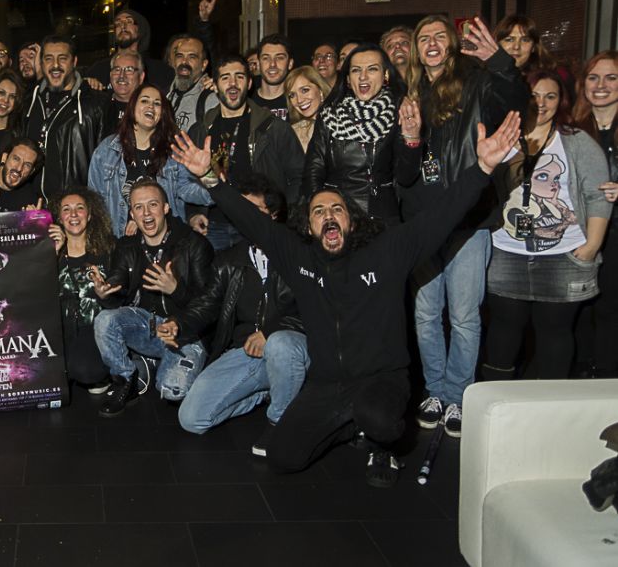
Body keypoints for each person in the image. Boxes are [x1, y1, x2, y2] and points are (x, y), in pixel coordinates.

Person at [171, 111, 521, 485]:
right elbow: (253, 220)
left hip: (381, 379)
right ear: (309, 226)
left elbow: (439, 217)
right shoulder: (299, 259)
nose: (328, 215)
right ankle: (351, 426)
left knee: (380, 419)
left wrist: (482, 168)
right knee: (283, 458)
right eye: (318, 211)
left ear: (351, 221)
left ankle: (379, 443)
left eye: (337, 209)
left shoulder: (387, 252)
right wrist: (211, 180)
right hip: (326, 383)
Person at [404, 15, 529, 436]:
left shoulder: (476, 84)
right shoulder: (410, 92)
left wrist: (500, 61)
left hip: (468, 220)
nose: (431, 42)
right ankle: (435, 390)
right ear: (416, 49)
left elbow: (515, 101)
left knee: (463, 316)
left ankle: (458, 396)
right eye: (424, 37)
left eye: (439, 36)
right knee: (425, 314)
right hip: (423, 222)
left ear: (452, 46)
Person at [484, 70, 610, 380]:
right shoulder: (501, 136)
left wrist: (592, 245)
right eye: (534, 95)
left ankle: (549, 403)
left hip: (563, 256)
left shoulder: (576, 141)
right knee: (503, 331)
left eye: (550, 96)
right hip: (505, 252)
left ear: (561, 101)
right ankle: (496, 400)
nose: (541, 103)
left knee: (555, 332)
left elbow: (597, 195)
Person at [176, 174, 307, 459]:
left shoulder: (297, 252)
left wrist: (269, 332)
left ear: (273, 215)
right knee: (192, 418)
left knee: (281, 345)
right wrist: (179, 324)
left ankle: (280, 422)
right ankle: (268, 391)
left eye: (252, 210)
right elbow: (207, 304)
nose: (244, 217)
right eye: (240, 210)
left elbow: (313, 307)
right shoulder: (229, 259)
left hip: (292, 346)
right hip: (246, 351)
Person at [89, 180, 214, 415]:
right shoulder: (127, 245)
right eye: (139, 207)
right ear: (132, 215)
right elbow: (117, 295)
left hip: (185, 332)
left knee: (172, 390)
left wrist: (175, 289)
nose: (146, 213)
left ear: (166, 208)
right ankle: (126, 379)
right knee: (104, 320)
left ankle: (159, 362)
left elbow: (209, 305)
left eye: (153, 204)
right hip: (147, 325)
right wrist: (104, 293)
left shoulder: (194, 244)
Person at [188, 55, 304, 250]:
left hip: (259, 223)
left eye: (239, 77)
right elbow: (188, 178)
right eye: (225, 78)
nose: (233, 83)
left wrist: (281, 214)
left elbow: (299, 176)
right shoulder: (200, 130)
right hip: (213, 226)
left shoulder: (273, 128)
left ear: (249, 83)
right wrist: (194, 213)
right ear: (215, 85)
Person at [302, 44, 423, 223]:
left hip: (382, 217)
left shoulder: (400, 112)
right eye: (356, 70)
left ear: (385, 75)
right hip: (339, 218)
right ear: (348, 79)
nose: (363, 76)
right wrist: (319, 212)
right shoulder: (330, 115)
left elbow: (406, 178)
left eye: (372, 69)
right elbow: (314, 170)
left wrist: (412, 137)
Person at [89, 84, 212, 236]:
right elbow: (95, 203)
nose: (151, 106)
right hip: (119, 241)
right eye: (144, 101)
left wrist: (210, 177)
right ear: (132, 107)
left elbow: (195, 192)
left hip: (166, 240)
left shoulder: (175, 151)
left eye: (157, 103)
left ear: (163, 113)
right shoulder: (107, 150)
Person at [571, 51, 618, 377]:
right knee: (577, 311)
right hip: (577, 232)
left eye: (611, 78)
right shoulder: (570, 129)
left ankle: (604, 378)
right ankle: (578, 376)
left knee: (609, 310)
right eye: (593, 77)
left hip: (615, 235)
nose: (601, 85)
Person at [49, 187, 117, 392]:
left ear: (89, 215)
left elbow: (121, 300)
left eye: (80, 208)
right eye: (66, 209)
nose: (73, 214)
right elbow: (35, 294)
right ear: (59, 218)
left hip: (96, 329)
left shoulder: (109, 250)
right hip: (62, 329)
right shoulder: (50, 251)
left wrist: (105, 294)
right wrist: (52, 254)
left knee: (86, 369)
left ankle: (103, 374)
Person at [23, 35, 107, 198]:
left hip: (73, 207)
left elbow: (107, 164)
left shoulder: (96, 104)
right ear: (41, 63)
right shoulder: (29, 101)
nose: (55, 65)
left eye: (62, 58)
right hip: (32, 205)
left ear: (74, 62)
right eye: (49, 59)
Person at [494, 14, 569, 93]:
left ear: (533, 47)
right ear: (497, 44)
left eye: (525, 40)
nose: (516, 47)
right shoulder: (486, 79)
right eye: (509, 40)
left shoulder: (554, 77)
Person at [166, 35, 218, 132]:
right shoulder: (168, 96)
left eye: (192, 57)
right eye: (179, 56)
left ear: (204, 64)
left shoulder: (211, 98)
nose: (184, 61)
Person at [283, 66, 330, 153]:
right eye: (292, 95)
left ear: (320, 91)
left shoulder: (342, 123)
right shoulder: (292, 133)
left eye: (305, 90)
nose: (299, 100)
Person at [252, 34, 293, 119]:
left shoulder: (297, 101)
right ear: (258, 64)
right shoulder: (246, 102)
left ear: (290, 63)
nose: (272, 64)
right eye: (266, 58)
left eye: (279, 58)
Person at [104, 50, 146, 130]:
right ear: (110, 75)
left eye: (129, 70)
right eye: (117, 69)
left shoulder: (149, 109)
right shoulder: (99, 107)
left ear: (141, 77)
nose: (122, 76)